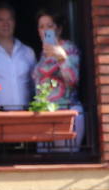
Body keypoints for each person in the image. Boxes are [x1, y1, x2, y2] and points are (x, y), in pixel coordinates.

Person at [33, 10, 84, 148]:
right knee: (44, 163)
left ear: (59, 29)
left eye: (49, 26)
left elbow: (73, 79)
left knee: (65, 160)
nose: (44, 30)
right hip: (45, 115)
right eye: (41, 27)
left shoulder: (69, 48)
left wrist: (61, 57)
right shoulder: (42, 54)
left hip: (66, 114)